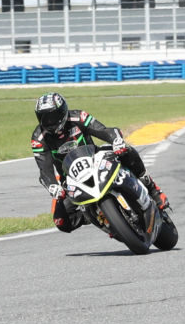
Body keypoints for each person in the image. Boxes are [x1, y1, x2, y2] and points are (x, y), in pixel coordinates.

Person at [30, 91, 170, 232]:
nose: (49, 122)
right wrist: (53, 186)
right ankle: (94, 216)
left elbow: (103, 130)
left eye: (53, 116)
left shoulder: (78, 117)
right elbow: (45, 169)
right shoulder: (38, 138)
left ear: (63, 111)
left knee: (126, 150)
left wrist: (116, 141)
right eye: (44, 118)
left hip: (97, 159)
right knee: (61, 221)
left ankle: (152, 188)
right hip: (71, 179)